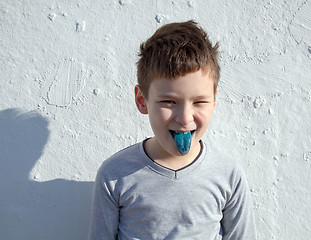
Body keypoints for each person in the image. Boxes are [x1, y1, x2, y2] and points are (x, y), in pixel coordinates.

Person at [88, 20, 256, 240]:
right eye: (169, 101)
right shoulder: (114, 175)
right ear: (142, 100)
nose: (185, 118)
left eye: (199, 102)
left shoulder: (228, 176)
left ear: (214, 100)